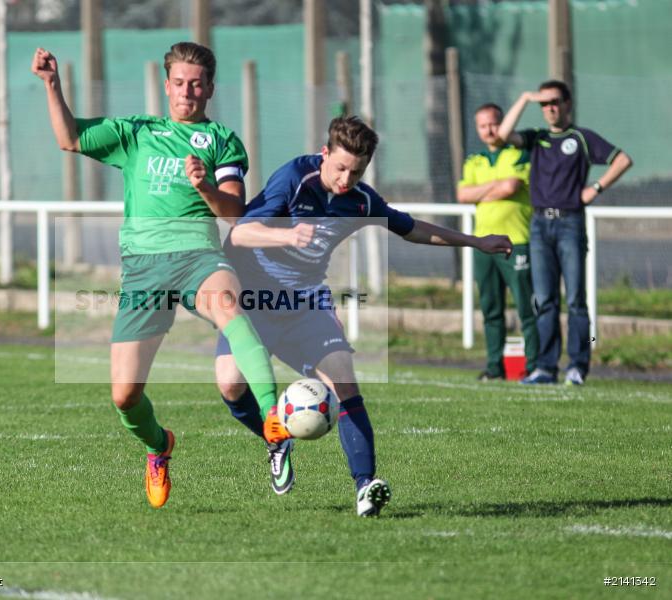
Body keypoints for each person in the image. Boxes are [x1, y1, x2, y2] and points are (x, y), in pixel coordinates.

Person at [214, 116, 513, 516]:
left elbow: (412, 229)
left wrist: (476, 241)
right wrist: (285, 233)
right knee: (230, 385)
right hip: (254, 300)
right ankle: (275, 440)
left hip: (306, 303)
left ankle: (365, 486)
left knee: (344, 381)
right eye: (339, 168)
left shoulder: (361, 199)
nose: (345, 179)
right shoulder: (293, 180)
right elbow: (239, 234)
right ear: (324, 154)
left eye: (355, 172)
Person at [32, 42, 283, 509]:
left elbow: (234, 212)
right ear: (166, 86)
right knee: (125, 396)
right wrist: (52, 84)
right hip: (144, 271)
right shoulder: (136, 133)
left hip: (198, 258)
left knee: (230, 308)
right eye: (180, 82)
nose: (188, 91)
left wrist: (205, 186)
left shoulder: (221, 140)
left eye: (197, 83)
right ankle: (158, 446)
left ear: (210, 88)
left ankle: (274, 418)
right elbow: (69, 138)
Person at [497, 81, 632, 385]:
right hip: (539, 225)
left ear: (568, 104)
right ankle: (545, 367)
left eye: (555, 102)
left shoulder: (581, 138)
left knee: (575, 300)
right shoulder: (537, 138)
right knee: (544, 299)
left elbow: (622, 159)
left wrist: (595, 188)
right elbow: (502, 135)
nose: (550, 109)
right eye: (544, 104)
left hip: (570, 223)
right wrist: (524, 98)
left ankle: (578, 366)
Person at [457, 103, 539, 381]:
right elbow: (463, 195)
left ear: (502, 124)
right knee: (491, 309)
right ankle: (495, 367)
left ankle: (535, 366)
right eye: (483, 126)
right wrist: (495, 188)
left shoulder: (519, 153)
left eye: (494, 124)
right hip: (483, 244)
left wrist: (482, 191)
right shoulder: (474, 160)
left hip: (517, 242)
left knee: (526, 308)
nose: (489, 130)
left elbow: (511, 187)